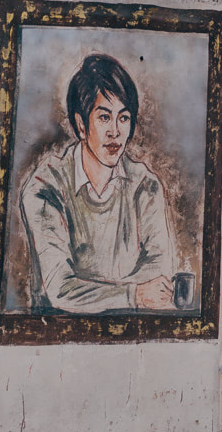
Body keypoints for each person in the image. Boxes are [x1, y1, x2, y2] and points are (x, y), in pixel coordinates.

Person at [20, 54, 185, 315]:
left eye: (123, 118)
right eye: (104, 117)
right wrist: (133, 295)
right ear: (81, 125)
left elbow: (159, 275)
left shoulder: (146, 185)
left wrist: (102, 295)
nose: (115, 132)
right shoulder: (45, 187)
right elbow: (61, 290)